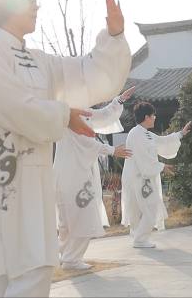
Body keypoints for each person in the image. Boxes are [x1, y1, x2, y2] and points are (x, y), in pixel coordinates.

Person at [0, 0, 131, 297]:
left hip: (31, 189)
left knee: (31, 271)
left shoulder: (41, 61)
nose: (36, 7)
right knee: (13, 278)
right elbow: (10, 104)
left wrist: (113, 37)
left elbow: (88, 74)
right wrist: (64, 116)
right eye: (28, 0)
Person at [55, 87, 135, 270]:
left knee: (68, 220)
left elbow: (102, 115)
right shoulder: (70, 115)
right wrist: (113, 150)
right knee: (82, 216)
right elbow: (85, 141)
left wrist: (119, 101)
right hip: (74, 175)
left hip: (68, 173)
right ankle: (71, 259)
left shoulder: (76, 112)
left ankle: (64, 254)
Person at [121, 101, 191, 248]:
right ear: (146, 117)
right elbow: (142, 158)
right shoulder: (136, 134)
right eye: (153, 116)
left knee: (149, 208)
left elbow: (162, 141)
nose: (155, 118)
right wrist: (162, 166)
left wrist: (180, 134)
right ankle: (140, 239)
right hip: (139, 178)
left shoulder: (146, 134)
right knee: (150, 208)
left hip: (145, 177)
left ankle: (139, 237)